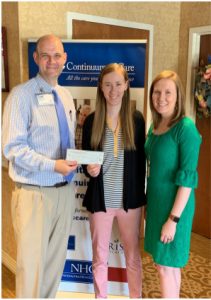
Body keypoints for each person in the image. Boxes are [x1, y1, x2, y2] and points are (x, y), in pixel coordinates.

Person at [2, 34, 78, 298]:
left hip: (64, 194)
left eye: (57, 55)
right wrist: (53, 165)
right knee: (31, 268)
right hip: (34, 194)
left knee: (54, 266)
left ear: (65, 59)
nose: (52, 61)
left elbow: (66, 142)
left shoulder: (66, 96)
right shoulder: (20, 96)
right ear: (36, 58)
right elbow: (13, 148)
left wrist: (83, 163)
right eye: (45, 55)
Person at [82, 63, 146, 298]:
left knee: (133, 257)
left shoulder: (136, 120)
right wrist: (90, 169)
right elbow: (86, 161)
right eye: (108, 85)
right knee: (100, 258)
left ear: (126, 85)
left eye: (118, 84)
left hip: (130, 203)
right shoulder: (91, 121)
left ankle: (135, 296)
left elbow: (141, 164)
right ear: (100, 86)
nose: (113, 90)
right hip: (101, 202)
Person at [144, 70, 202, 298]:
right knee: (164, 265)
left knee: (167, 266)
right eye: (157, 92)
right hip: (158, 204)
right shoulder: (155, 127)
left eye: (168, 92)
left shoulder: (185, 128)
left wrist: (173, 219)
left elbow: (187, 180)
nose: (161, 97)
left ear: (178, 96)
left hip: (175, 209)